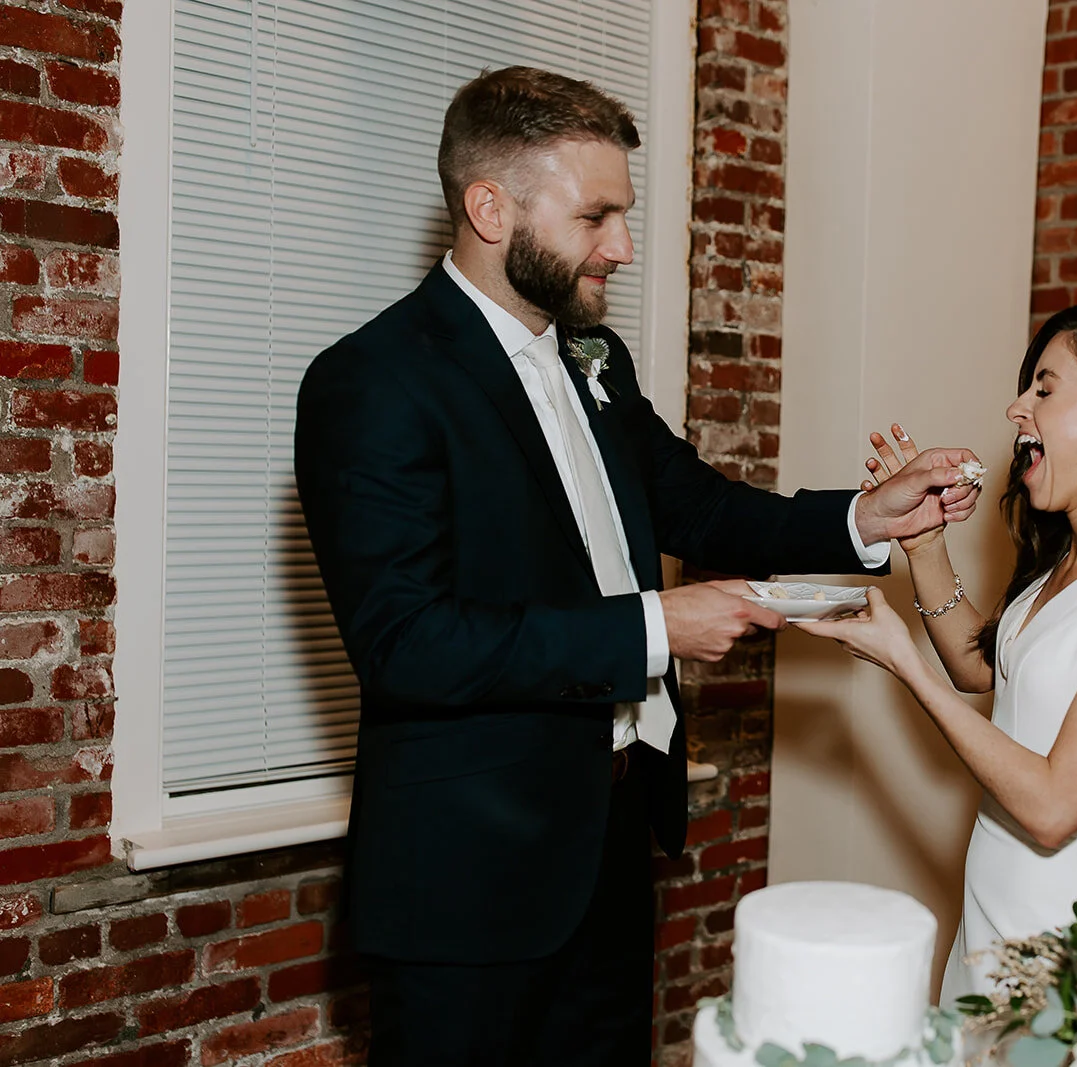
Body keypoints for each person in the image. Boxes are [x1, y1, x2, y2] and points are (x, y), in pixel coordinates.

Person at [293, 67, 980, 1065]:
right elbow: (407, 642)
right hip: (467, 881)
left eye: (622, 216)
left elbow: (701, 506)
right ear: (490, 209)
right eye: (596, 217)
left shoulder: (595, 358)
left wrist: (863, 517)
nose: (620, 246)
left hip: (609, 841)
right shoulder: (372, 381)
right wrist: (657, 626)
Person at [798, 302, 1077, 1003]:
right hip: (988, 921)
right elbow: (982, 670)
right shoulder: (1064, 563)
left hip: (1061, 938)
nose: (1017, 409)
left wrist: (906, 665)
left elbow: (1053, 805)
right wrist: (925, 546)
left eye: (1045, 388)